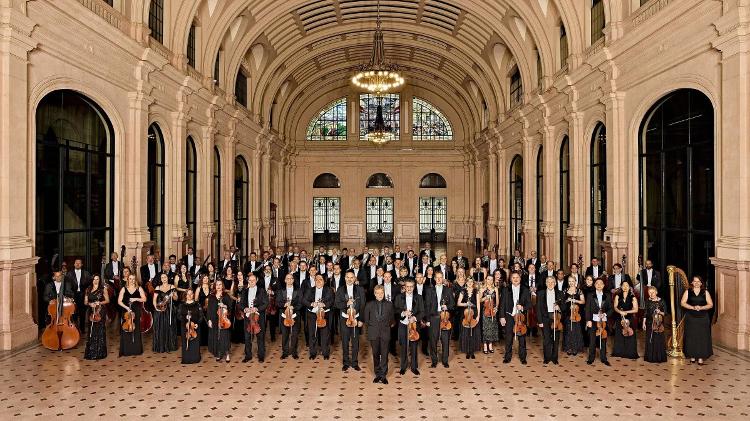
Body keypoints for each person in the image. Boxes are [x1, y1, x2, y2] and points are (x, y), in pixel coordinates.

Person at [335, 271, 365, 371]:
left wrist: (361, 320)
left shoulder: (360, 289)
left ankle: (355, 363)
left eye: (351, 277)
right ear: (344, 278)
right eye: (347, 277)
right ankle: (346, 362)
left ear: (355, 278)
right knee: (345, 341)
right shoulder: (340, 289)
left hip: (356, 319)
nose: (349, 279)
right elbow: (337, 304)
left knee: (355, 341)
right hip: (344, 319)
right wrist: (346, 303)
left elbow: (363, 305)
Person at [364, 284, 394, 384]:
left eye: (382, 292)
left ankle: (383, 375)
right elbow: (366, 320)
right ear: (374, 294)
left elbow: (392, 319)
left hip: (385, 333)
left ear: (384, 293)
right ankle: (377, 374)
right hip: (374, 333)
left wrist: (386, 326)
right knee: (375, 354)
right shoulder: (369, 304)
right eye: (378, 293)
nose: (380, 295)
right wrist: (374, 327)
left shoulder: (389, 304)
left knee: (385, 355)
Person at [681, 275, 713, 365]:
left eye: (698, 281)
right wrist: (692, 307)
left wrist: (701, 307)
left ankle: (700, 358)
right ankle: (692, 356)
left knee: (701, 337)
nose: (696, 283)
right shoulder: (688, 292)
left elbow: (710, 304)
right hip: (691, 317)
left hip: (703, 318)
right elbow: (682, 303)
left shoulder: (705, 292)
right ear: (692, 282)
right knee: (691, 336)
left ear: (701, 283)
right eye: (695, 281)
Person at [425, 272, 455, 368]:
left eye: (440, 277)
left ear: (443, 279)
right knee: (433, 340)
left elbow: (453, 305)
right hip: (433, 317)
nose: (438, 279)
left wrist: (447, 306)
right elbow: (427, 306)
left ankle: (445, 360)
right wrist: (428, 320)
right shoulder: (429, 290)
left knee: (445, 340)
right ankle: (434, 360)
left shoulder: (448, 290)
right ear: (434, 278)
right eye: (437, 278)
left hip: (444, 317)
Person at [500, 272, 531, 364]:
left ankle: (523, 357)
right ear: (511, 279)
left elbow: (529, 304)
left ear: (520, 279)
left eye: (517, 277)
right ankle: (507, 357)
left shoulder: (525, 290)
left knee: (522, 338)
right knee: (508, 338)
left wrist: (522, 307)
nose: (516, 279)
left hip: (520, 317)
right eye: (513, 277)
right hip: (509, 316)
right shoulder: (506, 289)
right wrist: (502, 317)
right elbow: (502, 305)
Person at [395, 279, 424, 375]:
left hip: (414, 326)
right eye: (407, 286)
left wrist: (415, 318)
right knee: (404, 346)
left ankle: (414, 367)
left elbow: (422, 312)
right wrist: (403, 312)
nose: (409, 288)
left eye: (411, 286)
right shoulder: (399, 297)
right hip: (403, 324)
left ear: (414, 287)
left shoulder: (419, 297)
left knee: (414, 346)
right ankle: (403, 366)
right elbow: (395, 310)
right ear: (404, 287)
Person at [303, 274, 334, 360]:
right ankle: (313, 353)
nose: (318, 281)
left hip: (324, 314)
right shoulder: (310, 290)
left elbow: (332, 301)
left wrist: (324, 304)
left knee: (325, 334)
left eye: (321, 279)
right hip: (312, 314)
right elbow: (304, 300)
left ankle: (325, 353)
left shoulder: (329, 290)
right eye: (316, 279)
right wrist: (311, 304)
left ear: (324, 281)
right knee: (313, 334)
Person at [240, 274, 268, 363]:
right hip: (248, 317)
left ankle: (261, 356)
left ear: (256, 280)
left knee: (260, 336)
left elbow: (266, 303)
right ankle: (248, 356)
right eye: (250, 280)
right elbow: (241, 304)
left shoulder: (262, 291)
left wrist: (257, 308)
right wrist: (245, 308)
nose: (251, 282)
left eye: (253, 280)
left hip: (258, 317)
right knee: (247, 337)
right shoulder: (245, 291)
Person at [536, 276, 563, 364]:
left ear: (555, 283)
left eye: (552, 282)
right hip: (545, 318)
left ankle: (554, 358)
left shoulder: (560, 293)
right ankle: (547, 357)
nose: (550, 284)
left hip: (556, 318)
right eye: (548, 282)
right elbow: (538, 308)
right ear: (546, 283)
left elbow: (565, 307)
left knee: (556, 338)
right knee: (546, 338)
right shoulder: (540, 293)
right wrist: (540, 321)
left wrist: (559, 307)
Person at [118, 274, 146, 356]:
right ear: (128, 280)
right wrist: (127, 308)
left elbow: (144, 299)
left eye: (133, 279)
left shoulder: (139, 288)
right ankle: (127, 350)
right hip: (126, 311)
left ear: (135, 280)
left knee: (136, 328)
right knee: (126, 328)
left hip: (136, 311)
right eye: (130, 279)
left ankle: (136, 350)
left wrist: (136, 298)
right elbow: (119, 301)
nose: (132, 280)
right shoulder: (124, 289)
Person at [586, 277, 612, 366]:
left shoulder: (607, 296)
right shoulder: (590, 295)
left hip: (603, 322)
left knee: (603, 340)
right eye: (597, 283)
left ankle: (603, 358)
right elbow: (587, 309)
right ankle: (591, 358)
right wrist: (588, 320)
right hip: (593, 321)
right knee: (592, 340)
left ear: (604, 285)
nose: (599, 285)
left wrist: (605, 314)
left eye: (601, 283)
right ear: (594, 285)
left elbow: (611, 309)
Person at [83, 274, 108, 360]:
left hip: (100, 311)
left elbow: (107, 300)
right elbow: (85, 302)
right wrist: (90, 304)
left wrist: (99, 303)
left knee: (100, 329)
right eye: (94, 279)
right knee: (92, 330)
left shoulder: (103, 289)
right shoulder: (88, 289)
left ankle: (100, 352)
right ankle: (91, 351)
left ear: (99, 280)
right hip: (91, 311)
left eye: (97, 279)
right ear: (92, 280)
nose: (96, 281)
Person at [612, 279, 639, 359]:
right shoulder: (617, 296)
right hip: (619, 317)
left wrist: (626, 312)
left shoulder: (633, 297)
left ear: (630, 287)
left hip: (629, 318)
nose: (625, 287)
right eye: (623, 285)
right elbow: (615, 307)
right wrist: (620, 312)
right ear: (621, 286)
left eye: (627, 285)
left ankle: (630, 353)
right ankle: (619, 352)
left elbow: (636, 309)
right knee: (619, 334)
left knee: (630, 335)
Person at [207, 281, 233, 362]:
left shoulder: (226, 296)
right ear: (214, 286)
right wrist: (209, 320)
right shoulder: (211, 297)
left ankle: (227, 354)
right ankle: (219, 353)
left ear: (222, 286)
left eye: (220, 284)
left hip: (223, 320)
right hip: (214, 319)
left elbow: (230, 307)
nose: (218, 286)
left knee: (224, 336)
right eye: (216, 285)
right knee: (216, 336)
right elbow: (209, 309)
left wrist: (224, 305)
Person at [277, 273, 302, 359]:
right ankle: (285, 352)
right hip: (284, 315)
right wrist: (284, 305)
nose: (289, 280)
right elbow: (278, 302)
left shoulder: (298, 290)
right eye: (287, 278)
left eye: (291, 278)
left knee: (294, 334)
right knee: (285, 334)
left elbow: (300, 303)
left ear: (293, 280)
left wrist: (293, 307)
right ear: (285, 280)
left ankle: (294, 352)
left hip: (295, 315)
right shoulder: (280, 290)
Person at [152, 273, 178, 353]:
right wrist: (156, 308)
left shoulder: (172, 287)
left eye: (165, 277)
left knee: (169, 327)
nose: (164, 278)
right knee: (160, 327)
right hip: (160, 309)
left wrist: (173, 295)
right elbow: (154, 300)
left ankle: (170, 345)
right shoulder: (158, 287)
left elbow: (176, 298)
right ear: (160, 279)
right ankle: (160, 346)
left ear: (167, 278)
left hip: (169, 309)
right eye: (162, 277)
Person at [458, 278, 481, 359]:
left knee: (473, 332)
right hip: (465, 314)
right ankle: (467, 351)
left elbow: (478, 304)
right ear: (466, 282)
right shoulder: (463, 291)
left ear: (473, 283)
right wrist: (466, 304)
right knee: (466, 332)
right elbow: (458, 303)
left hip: (474, 313)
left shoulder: (476, 291)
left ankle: (472, 351)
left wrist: (478, 316)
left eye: (471, 281)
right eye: (468, 281)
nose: (470, 283)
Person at [178, 288, 204, 364]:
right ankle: (186, 359)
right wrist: (185, 318)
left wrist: (197, 323)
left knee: (195, 343)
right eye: (188, 294)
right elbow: (178, 316)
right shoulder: (181, 305)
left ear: (193, 295)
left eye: (191, 294)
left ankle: (195, 358)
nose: (189, 295)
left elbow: (201, 316)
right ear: (185, 295)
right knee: (186, 342)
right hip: (185, 327)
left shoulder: (197, 304)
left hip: (195, 327)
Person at [642, 286, 667, 363]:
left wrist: (660, 312)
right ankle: (650, 357)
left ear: (656, 292)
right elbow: (645, 313)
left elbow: (665, 313)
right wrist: (644, 323)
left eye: (653, 292)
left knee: (658, 339)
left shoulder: (661, 301)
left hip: (658, 323)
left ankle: (659, 357)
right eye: (649, 292)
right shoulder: (647, 301)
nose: (651, 294)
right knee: (650, 339)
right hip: (649, 323)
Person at [562, 276, 585, 355]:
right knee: (569, 331)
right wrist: (567, 300)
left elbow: (583, 301)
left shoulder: (579, 291)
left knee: (576, 331)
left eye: (572, 281)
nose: (571, 283)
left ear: (575, 281)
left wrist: (576, 300)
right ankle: (568, 347)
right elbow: (562, 301)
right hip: (568, 313)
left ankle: (575, 348)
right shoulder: (565, 290)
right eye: (569, 281)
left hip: (576, 313)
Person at [479, 276, 499, 354]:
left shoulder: (495, 289)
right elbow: (479, 300)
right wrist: (485, 298)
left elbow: (497, 301)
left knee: (492, 327)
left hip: (493, 310)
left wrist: (496, 308)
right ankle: (485, 345)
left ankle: (490, 344)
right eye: (488, 279)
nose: (490, 281)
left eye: (491, 279)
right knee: (485, 328)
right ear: (486, 280)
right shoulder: (482, 289)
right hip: (485, 310)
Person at [195, 275, 212, 346]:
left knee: (209, 324)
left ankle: (209, 341)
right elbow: (196, 300)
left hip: (210, 309)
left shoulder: (211, 288)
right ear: (201, 279)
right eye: (204, 278)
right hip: (201, 309)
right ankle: (202, 342)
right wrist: (199, 308)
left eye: (207, 278)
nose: (205, 279)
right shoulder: (199, 288)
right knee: (202, 325)